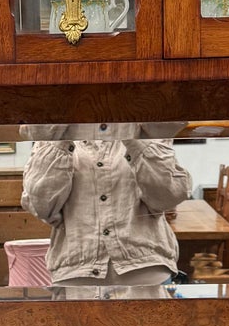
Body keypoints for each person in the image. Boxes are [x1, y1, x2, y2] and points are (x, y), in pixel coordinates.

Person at [20, 123, 192, 294]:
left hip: (145, 279)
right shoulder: (51, 134)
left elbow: (168, 197)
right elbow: (41, 206)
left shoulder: (148, 129)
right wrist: (60, 138)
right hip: (77, 281)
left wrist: (133, 137)